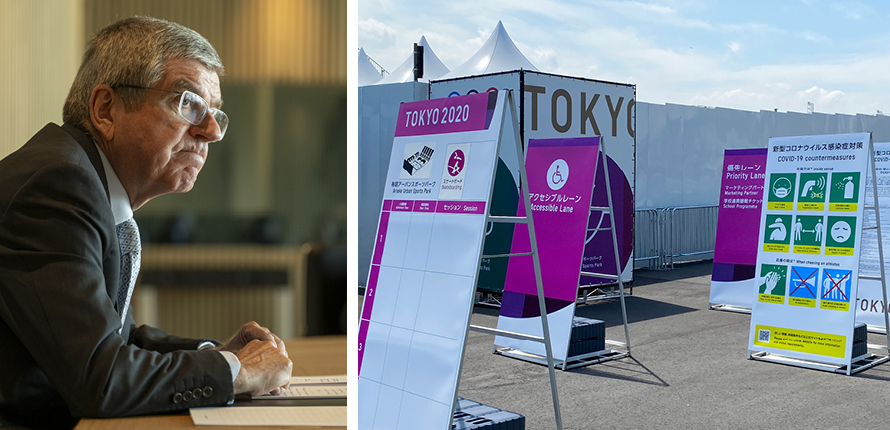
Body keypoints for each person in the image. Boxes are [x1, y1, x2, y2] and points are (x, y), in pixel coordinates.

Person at [0, 17, 292, 429]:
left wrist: (217, 354)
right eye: (188, 103)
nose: (210, 132)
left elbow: (119, 338)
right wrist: (234, 370)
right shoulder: (57, 187)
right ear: (105, 109)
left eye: (215, 114)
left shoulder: (85, 182)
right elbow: (100, 380)